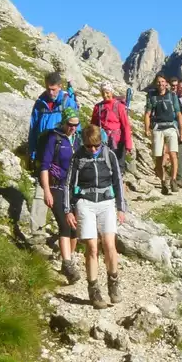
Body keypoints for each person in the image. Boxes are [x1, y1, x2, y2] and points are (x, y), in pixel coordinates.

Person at [64, 125, 126, 309]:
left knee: (109, 244)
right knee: (91, 247)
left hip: (107, 202)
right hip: (85, 203)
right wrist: (68, 210)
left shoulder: (109, 155)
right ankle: (94, 290)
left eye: (96, 145)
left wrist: (121, 207)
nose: (92, 149)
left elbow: (118, 182)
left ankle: (113, 282)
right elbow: (68, 184)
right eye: (89, 146)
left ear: (101, 142)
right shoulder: (78, 157)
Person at [27, 72, 78, 241]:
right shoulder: (40, 102)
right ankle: (37, 235)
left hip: (61, 155)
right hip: (43, 153)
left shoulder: (67, 101)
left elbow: (74, 126)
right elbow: (33, 128)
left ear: (60, 86)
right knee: (41, 193)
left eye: (53, 89)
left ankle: (67, 231)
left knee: (64, 194)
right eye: (48, 88)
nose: (50, 92)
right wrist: (32, 152)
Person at [39, 108, 82, 284]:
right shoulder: (54, 139)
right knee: (64, 224)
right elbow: (44, 166)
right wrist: (46, 190)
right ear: (64, 123)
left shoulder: (78, 140)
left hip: (73, 190)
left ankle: (69, 260)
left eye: (76, 125)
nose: (73, 128)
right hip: (56, 186)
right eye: (70, 125)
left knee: (74, 228)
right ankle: (67, 263)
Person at [144, 74, 182, 195]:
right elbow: (147, 114)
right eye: (158, 82)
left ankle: (173, 180)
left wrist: (181, 131)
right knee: (159, 157)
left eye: (162, 81)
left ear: (166, 83)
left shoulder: (172, 96)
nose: (161, 84)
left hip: (171, 127)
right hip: (157, 128)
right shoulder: (152, 96)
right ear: (156, 83)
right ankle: (163, 182)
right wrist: (146, 129)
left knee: (173, 154)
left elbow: (178, 114)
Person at [91, 82, 134, 172]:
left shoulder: (120, 106)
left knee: (118, 165)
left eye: (107, 92)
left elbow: (126, 125)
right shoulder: (98, 107)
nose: (105, 95)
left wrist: (128, 144)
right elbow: (93, 125)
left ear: (111, 92)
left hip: (118, 142)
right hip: (103, 140)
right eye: (103, 93)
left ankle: (119, 183)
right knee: (104, 164)